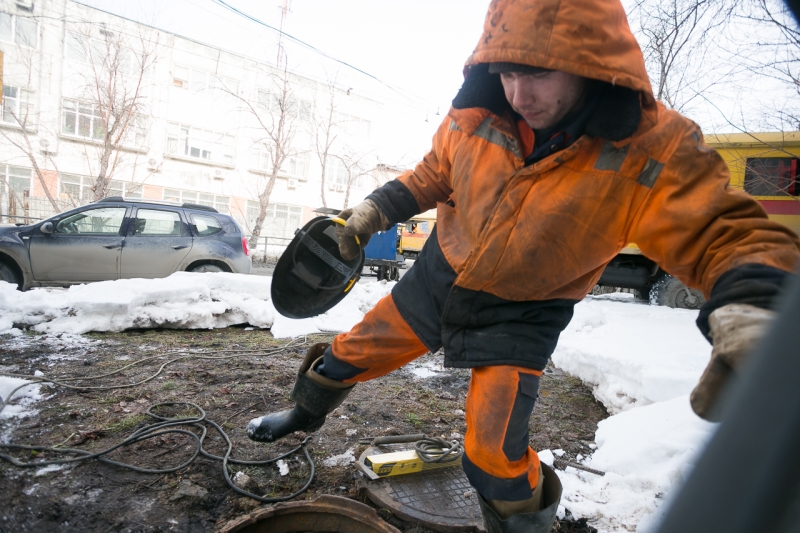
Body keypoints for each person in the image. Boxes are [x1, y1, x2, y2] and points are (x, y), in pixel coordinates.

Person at [247, 0, 800, 530]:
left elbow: (717, 228)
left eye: (537, 74)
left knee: (493, 455)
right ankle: (302, 413)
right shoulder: (479, 112)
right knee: (348, 354)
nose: (519, 94)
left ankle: (521, 526)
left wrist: (756, 299)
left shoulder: (651, 148)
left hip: (524, 312)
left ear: (591, 65)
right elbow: (433, 173)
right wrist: (373, 212)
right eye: (508, 73)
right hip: (441, 277)